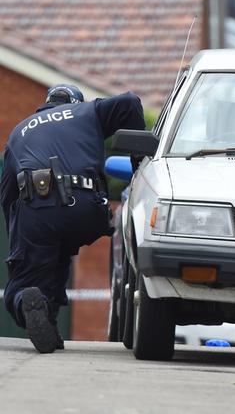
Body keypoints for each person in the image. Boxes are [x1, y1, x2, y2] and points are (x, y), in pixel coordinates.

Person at [1, 84, 145, 353]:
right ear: (74, 101)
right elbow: (130, 102)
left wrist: (19, 247)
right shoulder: (87, 111)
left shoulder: (19, 131)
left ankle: (30, 300)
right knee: (61, 251)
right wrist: (140, 167)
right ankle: (51, 324)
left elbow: (8, 196)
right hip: (88, 208)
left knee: (25, 281)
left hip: (38, 208)